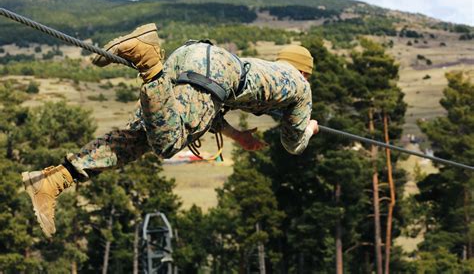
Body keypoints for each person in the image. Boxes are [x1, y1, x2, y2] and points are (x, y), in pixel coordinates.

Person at [21, 23, 319, 237]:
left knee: (139, 139)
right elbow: (293, 143)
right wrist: (309, 128)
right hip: (213, 73)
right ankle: (148, 60)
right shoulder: (300, 86)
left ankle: (54, 180)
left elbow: (207, 105)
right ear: (305, 71)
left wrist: (236, 136)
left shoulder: (267, 68)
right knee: (168, 144)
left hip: (193, 58)